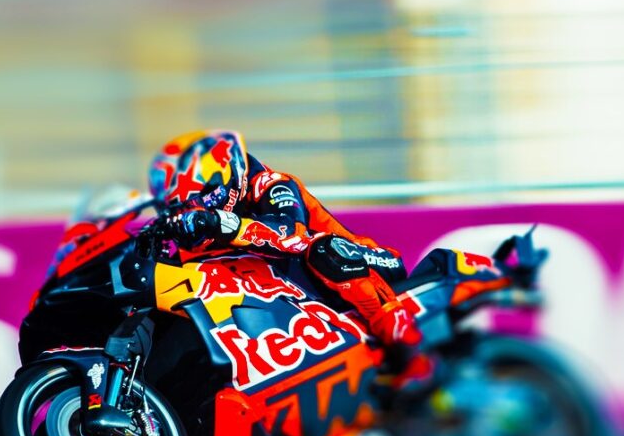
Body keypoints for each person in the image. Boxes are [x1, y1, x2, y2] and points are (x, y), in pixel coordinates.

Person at [148, 129, 426, 377]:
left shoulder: (272, 183)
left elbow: (291, 236)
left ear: (232, 174)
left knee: (325, 250)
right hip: (297, 293)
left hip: (370, 262)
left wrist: (219, 222)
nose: (196, 211)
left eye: (204, 199)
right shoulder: (196, 228)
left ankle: (402, 341)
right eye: (183, 207)